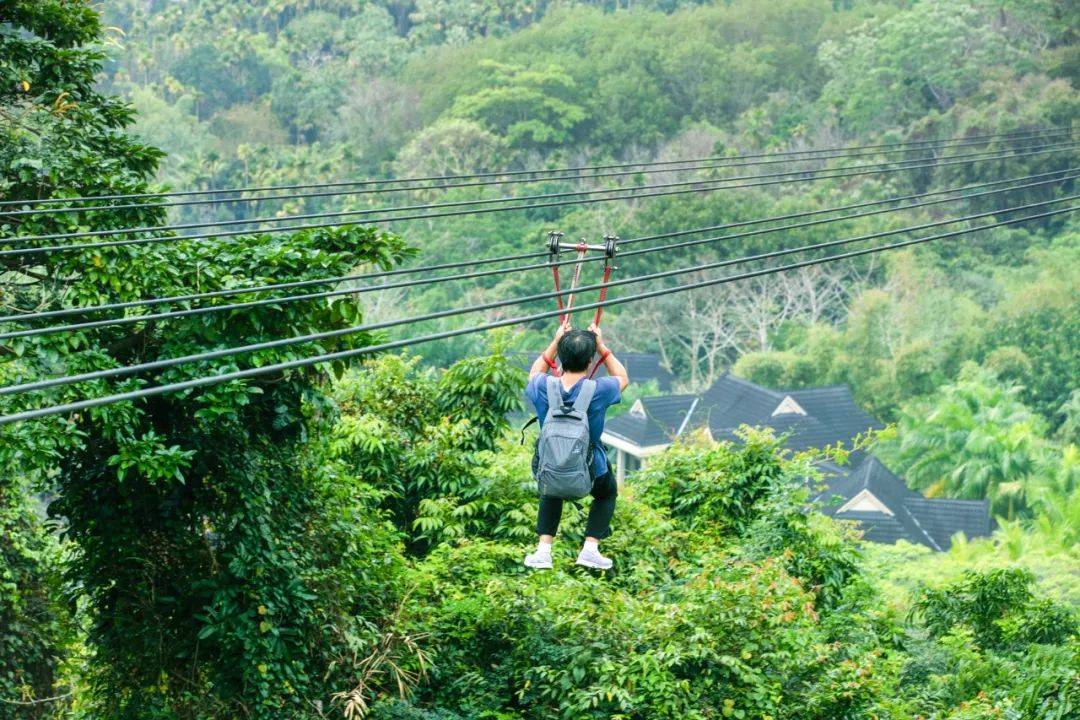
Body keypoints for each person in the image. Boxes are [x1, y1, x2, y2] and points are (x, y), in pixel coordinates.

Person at [522, 321, 630, 570]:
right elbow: (622, 377)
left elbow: (534, 373)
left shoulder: (543, 386)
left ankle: (543, 550)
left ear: (560, 357)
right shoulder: (598, 390)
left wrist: (555, 341)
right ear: (590, 362)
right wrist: (602, 346)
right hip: (591, 468)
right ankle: (590, 548)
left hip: (551, 465)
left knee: (551, 488)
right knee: (606, 494)